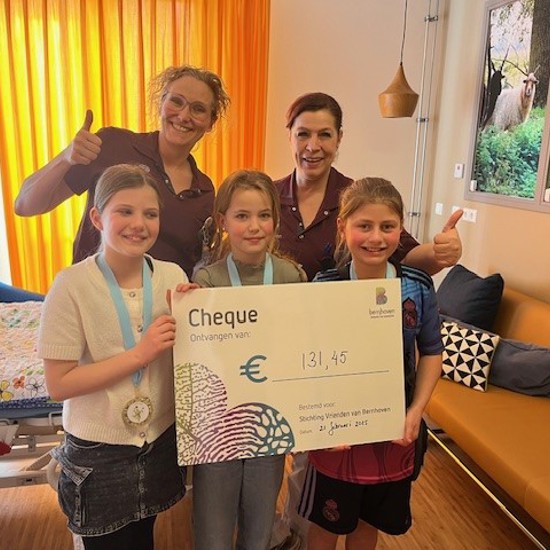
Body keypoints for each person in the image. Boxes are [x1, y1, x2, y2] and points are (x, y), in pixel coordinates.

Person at [270, 92, 461, 550]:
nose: (313, 144)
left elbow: (429, 342)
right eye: (304, 133)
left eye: (325, 134)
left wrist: (441, 253)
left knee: (362, 521)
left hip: (391, 428)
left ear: (339, 138)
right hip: (313, 397)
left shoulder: (409, 279)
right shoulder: (270, 198)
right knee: (311, 505)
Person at [38, 164, 188, 550]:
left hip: (158, 440)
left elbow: (189, 357)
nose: (139, 224)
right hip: (98, 454)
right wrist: (139, 355)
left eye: (150, 214)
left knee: (143, 538)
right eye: (125, 211)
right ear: (97, 217)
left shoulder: (173, 277)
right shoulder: (71, 286)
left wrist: (198, 317)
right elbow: (59, 384)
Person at [298, 177, 443, 550]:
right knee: (326, 525)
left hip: (395, 431)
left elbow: (431, 351)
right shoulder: (323, 286)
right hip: (337, 437)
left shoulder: (417, 286)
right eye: (364, 225)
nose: (376, 237)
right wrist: (318, 422)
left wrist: (416, 411)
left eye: (387, 226)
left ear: (400, 229)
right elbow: (305, 359)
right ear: (342, 227)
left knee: (368, 523)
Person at [15, 65, 230, 278]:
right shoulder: (112, 145)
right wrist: (65, 157)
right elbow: (25, 205)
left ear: (210, 122)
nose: (183, 116)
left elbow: (196, 266)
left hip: (161, 299)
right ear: (161, 103)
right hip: (94, 293)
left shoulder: (205, 192)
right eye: (176, 101)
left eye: (198, 109)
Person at [186, 169, 307, 550]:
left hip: (270, 425)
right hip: (217, 426)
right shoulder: (206, 282)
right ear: (223, 221)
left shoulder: (291, 277)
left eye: (263, 215)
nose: (254, 227)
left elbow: (302, 344)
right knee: (213, 533)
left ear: (275, 219)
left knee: (259, 531)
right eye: (242, 216)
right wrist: (186, 310)